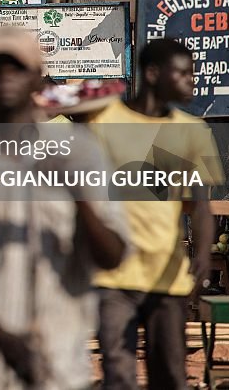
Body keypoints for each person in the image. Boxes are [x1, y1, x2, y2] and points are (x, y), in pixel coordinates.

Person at [0, 27, 128, 389]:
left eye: (16, 67)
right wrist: (6, 342)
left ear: (37, 78)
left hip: (62, 360)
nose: (5, 76)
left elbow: (112, 256)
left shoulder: (78, 151)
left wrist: (79, 196)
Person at [89, 38, 222, 390]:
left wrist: (204, 254)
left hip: (168, 277)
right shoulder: (102, 124)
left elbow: (201, 206)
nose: (191, 81)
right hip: (113, 278)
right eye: (182, 73)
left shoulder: (194, 132)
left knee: (170, 375)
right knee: (118, 374)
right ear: (152, 74)